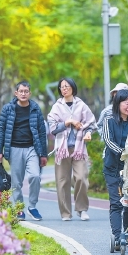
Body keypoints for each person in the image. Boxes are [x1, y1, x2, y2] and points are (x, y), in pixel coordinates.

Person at [0, 81, 48, 221]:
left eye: (26, 91)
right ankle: (19, 208)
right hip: (14, 148)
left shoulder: (35, 109)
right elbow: (1, 131)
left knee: (35, 176)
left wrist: (43, 154)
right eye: (21, 91)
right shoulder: (8, 109)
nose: (23, 94)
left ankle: (32, 206)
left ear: (30, 94)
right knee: (17, 182)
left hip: (32, 148)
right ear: (16, 93)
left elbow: (42, 132)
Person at [47, 77, 97, 221]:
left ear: (73, 88)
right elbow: (52, 128)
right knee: (62, 181)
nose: (64, 89)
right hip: (62, 149)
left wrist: (88, 132)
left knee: (81, 178)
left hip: (79, 148)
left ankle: (82, 209)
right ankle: (65, 213)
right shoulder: (56, 106)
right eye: (62, 87)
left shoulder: (81, 105)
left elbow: (91, 124)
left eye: (67, 86)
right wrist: (67, 122)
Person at [102, 89, 128, 249]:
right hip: (112, 167)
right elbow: (108, 141)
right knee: (116, 203)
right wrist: (124, 152)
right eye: (126, 103)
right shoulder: (109, 120)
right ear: (118, 103)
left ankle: (127, 233)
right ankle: (118, 237)